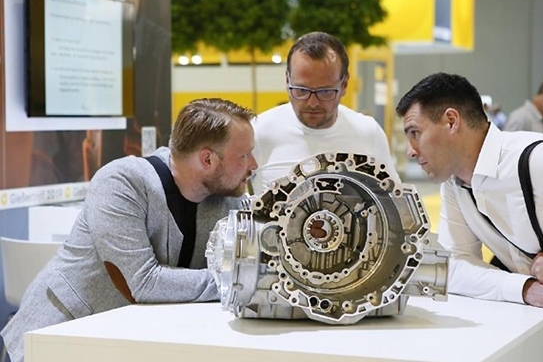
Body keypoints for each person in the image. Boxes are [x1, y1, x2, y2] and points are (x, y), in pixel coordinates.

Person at [1, 98, 258, 362]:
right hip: (54, 340)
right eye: (243, 155)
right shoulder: (120, 182)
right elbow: (143, 283)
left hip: (124, 343)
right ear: (207, 159)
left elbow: (246, 259)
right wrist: (243, 281)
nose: (254, 165)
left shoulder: (227, 197)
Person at [396, 72, 543, 361]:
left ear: (451, 121)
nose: (411, 151)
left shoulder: (540, 159)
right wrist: (526, 288)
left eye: (415, 133)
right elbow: (455, 265)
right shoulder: (455, 186)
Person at [251, 31, 399, 193]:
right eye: (301, 90)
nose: (312, 103)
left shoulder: (369, 133)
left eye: (325, 92)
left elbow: (394, 200)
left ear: (344, 84)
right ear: (287, 80)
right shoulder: (258, 132)